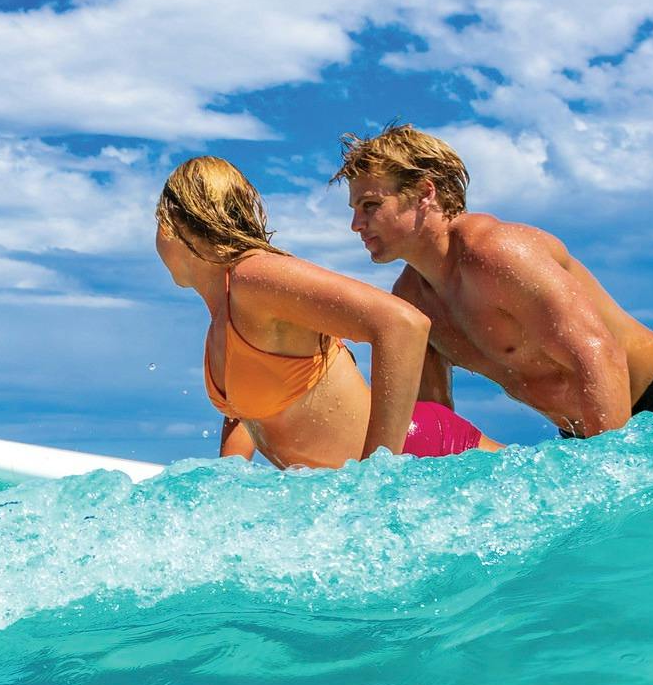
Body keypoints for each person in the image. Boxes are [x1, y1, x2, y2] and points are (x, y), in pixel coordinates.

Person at [335, 123, 653, 437]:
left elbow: (599, 355)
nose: (356, 224)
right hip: (587, 435)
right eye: (355, 209)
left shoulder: (497, 252)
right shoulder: (412, 301)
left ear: (424, 193)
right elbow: (433, 417)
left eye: (371, 205)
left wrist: (611, 476)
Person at [155, 156, 495, 468]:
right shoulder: (225, 311)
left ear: (174, 224)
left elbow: (403, 324)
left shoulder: (254, 276)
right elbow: (246, 410)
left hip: (423, 453)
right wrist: (225, 484)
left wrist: (376, 480)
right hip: (360, 483)